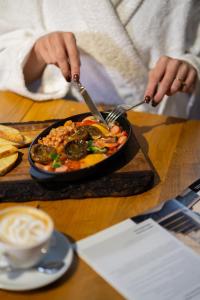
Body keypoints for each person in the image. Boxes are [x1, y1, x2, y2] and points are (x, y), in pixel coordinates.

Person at [0, 0, 199, 119]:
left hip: (170, 122)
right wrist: (37, 51)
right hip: (66, 115)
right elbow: (5, 49)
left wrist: (191, 67)